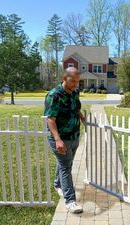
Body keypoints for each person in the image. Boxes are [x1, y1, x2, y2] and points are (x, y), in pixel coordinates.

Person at [44, 67, 85, 214]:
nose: (75, 84)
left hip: (74, 136)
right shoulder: (54, 95)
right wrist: (57, 140)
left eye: (77, 82)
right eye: (72, 81)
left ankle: (57, 184)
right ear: (64, 78)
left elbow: (74, 107)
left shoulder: (75, 93)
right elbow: (50, 119)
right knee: (66, 167)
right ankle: (70, 201)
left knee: (65, 164)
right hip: (60, 138)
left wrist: (79, 114)